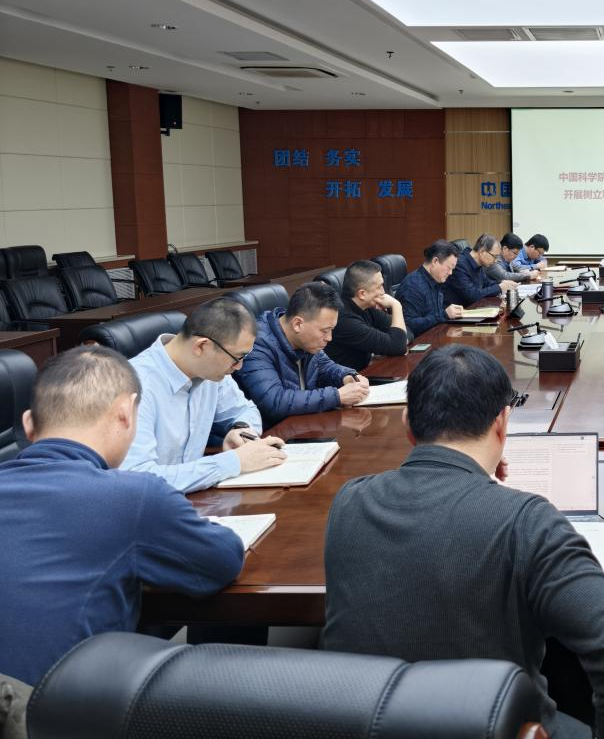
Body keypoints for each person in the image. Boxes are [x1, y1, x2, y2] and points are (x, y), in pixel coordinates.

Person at [323, 345, 604, 739]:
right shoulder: (527, 522)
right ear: (502, 422)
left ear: (407, 424)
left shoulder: (349, 502)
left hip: (367, 724)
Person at [0, 347, 244, 687]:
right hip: (49, 709)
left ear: (28, 424)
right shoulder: (134, 496)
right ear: (126, 414)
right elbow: (223, 560)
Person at [124, 298, 286, 493]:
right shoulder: (134, 386)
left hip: (196, 500)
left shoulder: (209, 371)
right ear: (201, 346)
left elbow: (245, 409)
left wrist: (240, 430)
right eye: (237, 358)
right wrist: (233, 462)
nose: (239, 367)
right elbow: (138, 480)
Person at [235, 282, 370, 427]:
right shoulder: (255, 344)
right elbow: (274, 401)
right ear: (297, 324)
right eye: (325, 331)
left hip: (304, 425)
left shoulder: (305, 341)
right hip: (271, 433)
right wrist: (337, 396)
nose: (329, 338)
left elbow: (325, 366)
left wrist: (347, 376)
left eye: (332, 330)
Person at [324, 260, 410, 372]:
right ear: (362, 294)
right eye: (379, 287)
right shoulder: (344, 319)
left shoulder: (367, 306)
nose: (383, 292)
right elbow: (398, 346)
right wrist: (396, 305)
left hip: (365, 373)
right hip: (347, 380)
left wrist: (399, 341)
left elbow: (407, 331)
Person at [396, 240, 465, 336]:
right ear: (435, 261)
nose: (450, 273)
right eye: (449, 268)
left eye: (452, 269)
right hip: (420, 341)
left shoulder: (436, 279)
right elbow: (409, 326)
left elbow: (434, 315)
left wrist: (451, 313)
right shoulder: (412, 286)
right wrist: (444, 315)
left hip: (437, 334)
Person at [445, 233, 517, 308]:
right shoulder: (460, 264)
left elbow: (486, 283)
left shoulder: (478, 263)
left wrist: (503, 283)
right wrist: (499, 287)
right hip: (460, 311)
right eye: (494, 256)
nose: (495, 261)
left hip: (473, 308)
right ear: (482, 252)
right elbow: (472, 295)